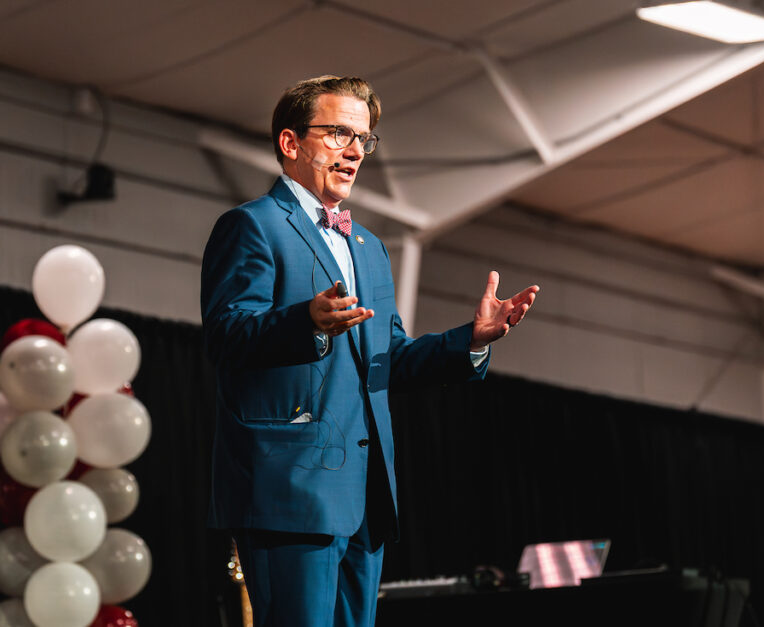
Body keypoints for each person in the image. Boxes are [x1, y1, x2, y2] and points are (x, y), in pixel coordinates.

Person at [201, 75, 539, 627]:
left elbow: (389, 359)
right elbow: (225, 334)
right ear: (291, 143)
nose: (356, 151)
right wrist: (303, 321)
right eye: (338, 134)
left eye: (365, 138)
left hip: (364, 493)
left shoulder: (371, 248)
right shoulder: (252, 226)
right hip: (290, 491)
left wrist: (470, 341)